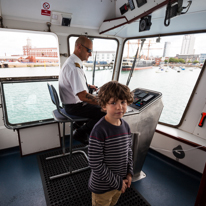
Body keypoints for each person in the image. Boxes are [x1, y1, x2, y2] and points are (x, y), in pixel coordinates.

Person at [88, 81, 134, 206]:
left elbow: (128, 150)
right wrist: (117, 182)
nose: (119, 107)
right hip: (103, 187)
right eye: (113, 103)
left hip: (120, 182)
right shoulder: (99, 130)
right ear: (104, 106)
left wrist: (129, 172)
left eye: (123, 102)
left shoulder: (126, 126)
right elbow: (95, 163)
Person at [58, 36, 105, 144]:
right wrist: (104, 102)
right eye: (89, 50)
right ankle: (80, 132)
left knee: (97, 106)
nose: (90, 54)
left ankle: (77, 125)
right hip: (75, 107)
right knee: (105, 111)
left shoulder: (71, 62)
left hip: (69, 104)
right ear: (79, 47)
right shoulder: (75, 67)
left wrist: (87, 85)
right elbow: (83, 96)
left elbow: (72, 83)